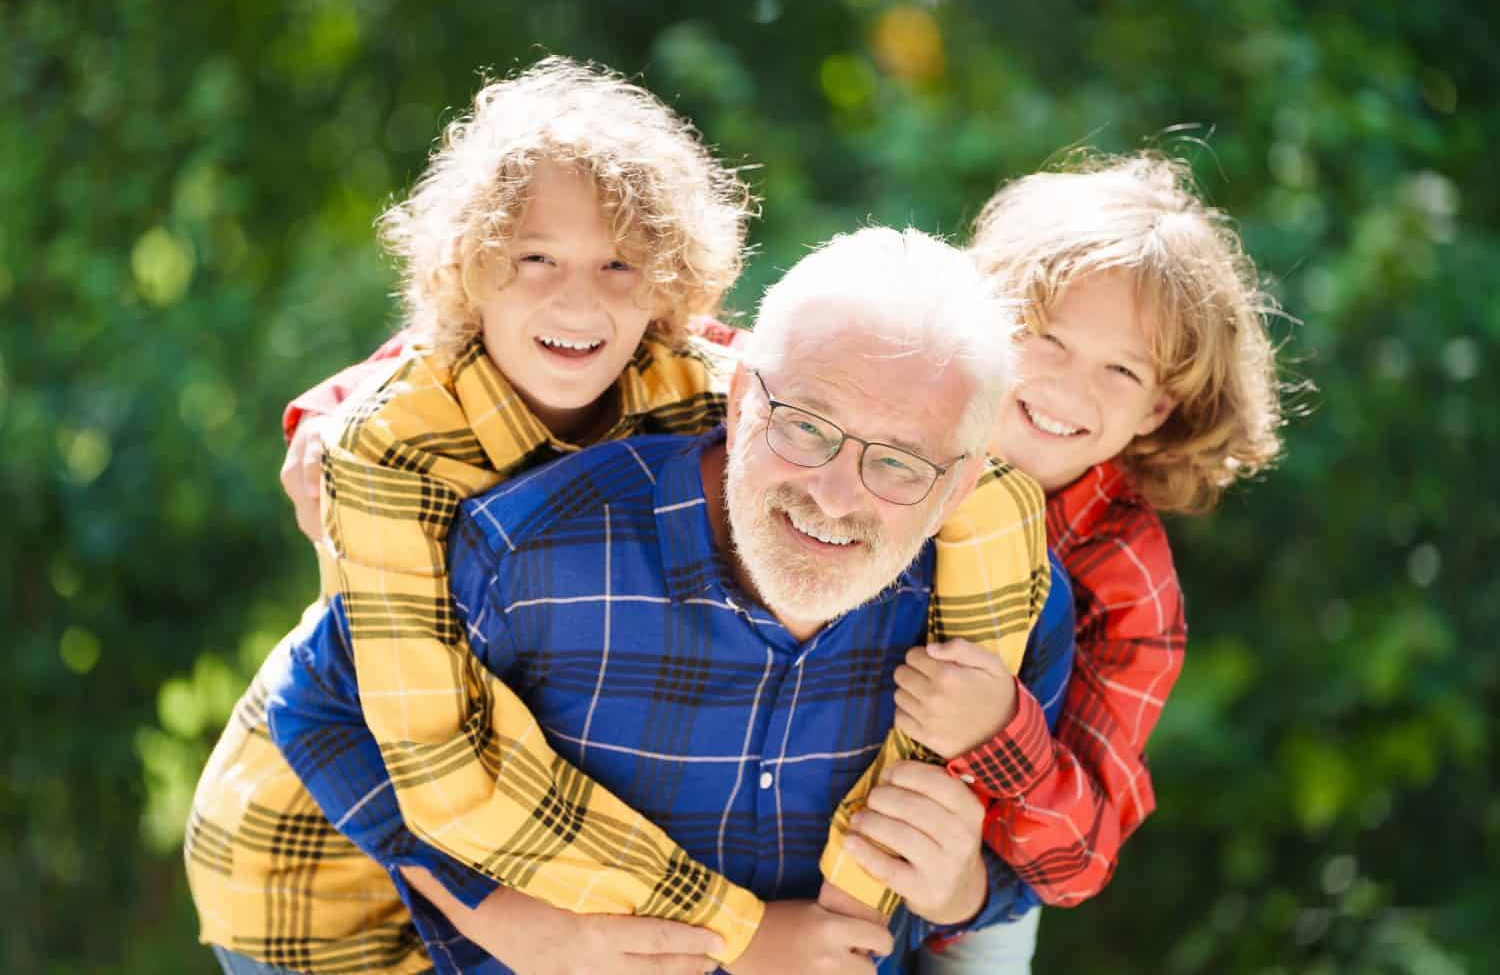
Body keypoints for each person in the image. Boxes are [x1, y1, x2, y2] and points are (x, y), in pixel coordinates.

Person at [184, 53, 1054, 974]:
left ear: (667, 279)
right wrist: (715, 930)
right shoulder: (389, 448)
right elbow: (405, 745)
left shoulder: (697, 385)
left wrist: (872, 878)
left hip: (540, 873)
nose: (578, 297)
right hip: (324, 866)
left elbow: (952, 469)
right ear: (471, 264)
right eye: (533, 258)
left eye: (619, 264)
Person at [910, 152, 1287, 973]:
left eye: (1121, 369)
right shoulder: (888, 411)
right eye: (1044, 337)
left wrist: (995, 733)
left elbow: (1077, 863)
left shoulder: (1129, 582)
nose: (1069, 386)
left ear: (1158, 406)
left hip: (969, 891)